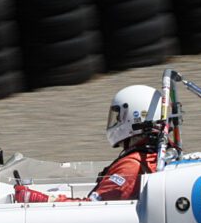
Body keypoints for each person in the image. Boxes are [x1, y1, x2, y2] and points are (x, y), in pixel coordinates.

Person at [13, 84, 162, 203]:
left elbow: (92, 209)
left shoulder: (131, 167)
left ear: (132, 117)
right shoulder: (158, 155)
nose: (116, 121)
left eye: (118, 116)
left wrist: (42, 200)